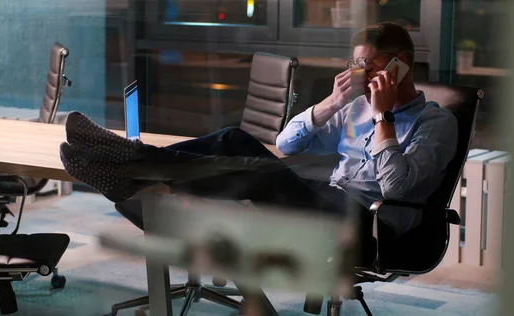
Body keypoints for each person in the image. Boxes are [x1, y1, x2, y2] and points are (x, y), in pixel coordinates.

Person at [59, 22, 457, 263]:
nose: (360, 73)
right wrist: (331, 103)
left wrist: (384, 115)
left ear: (400, 61)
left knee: (254, 167)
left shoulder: (435, 122)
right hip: (325, 199)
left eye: (368, 64)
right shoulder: (354, 108)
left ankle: (132, 167)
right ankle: (135, 166)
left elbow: (396, 187)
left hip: (367, 224)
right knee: (235, 141)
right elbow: (288, 142)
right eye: (355, 64)